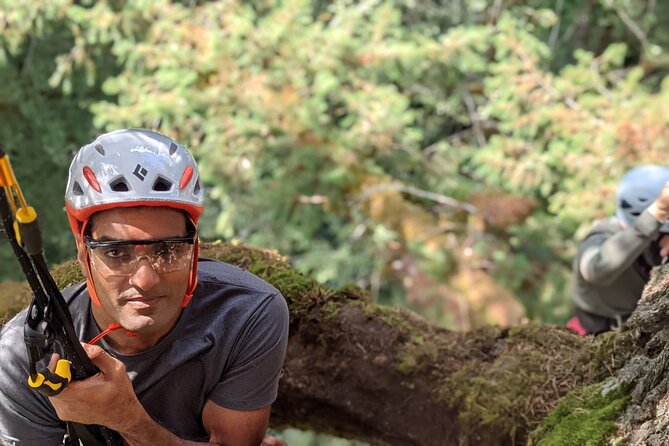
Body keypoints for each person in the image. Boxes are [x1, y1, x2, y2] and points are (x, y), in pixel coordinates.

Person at [0, 129, 290, 445]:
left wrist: (127, 420)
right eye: (116, 252)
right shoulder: (23, 357)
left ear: (194, 250)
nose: (145, 280)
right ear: (84, 255)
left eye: (167, 250)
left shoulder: (245, 315)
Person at [568, 165, 669, 335]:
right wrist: (655, 216)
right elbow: (596, 269)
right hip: (591, 332)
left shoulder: (659, 242)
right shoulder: (603, 236)